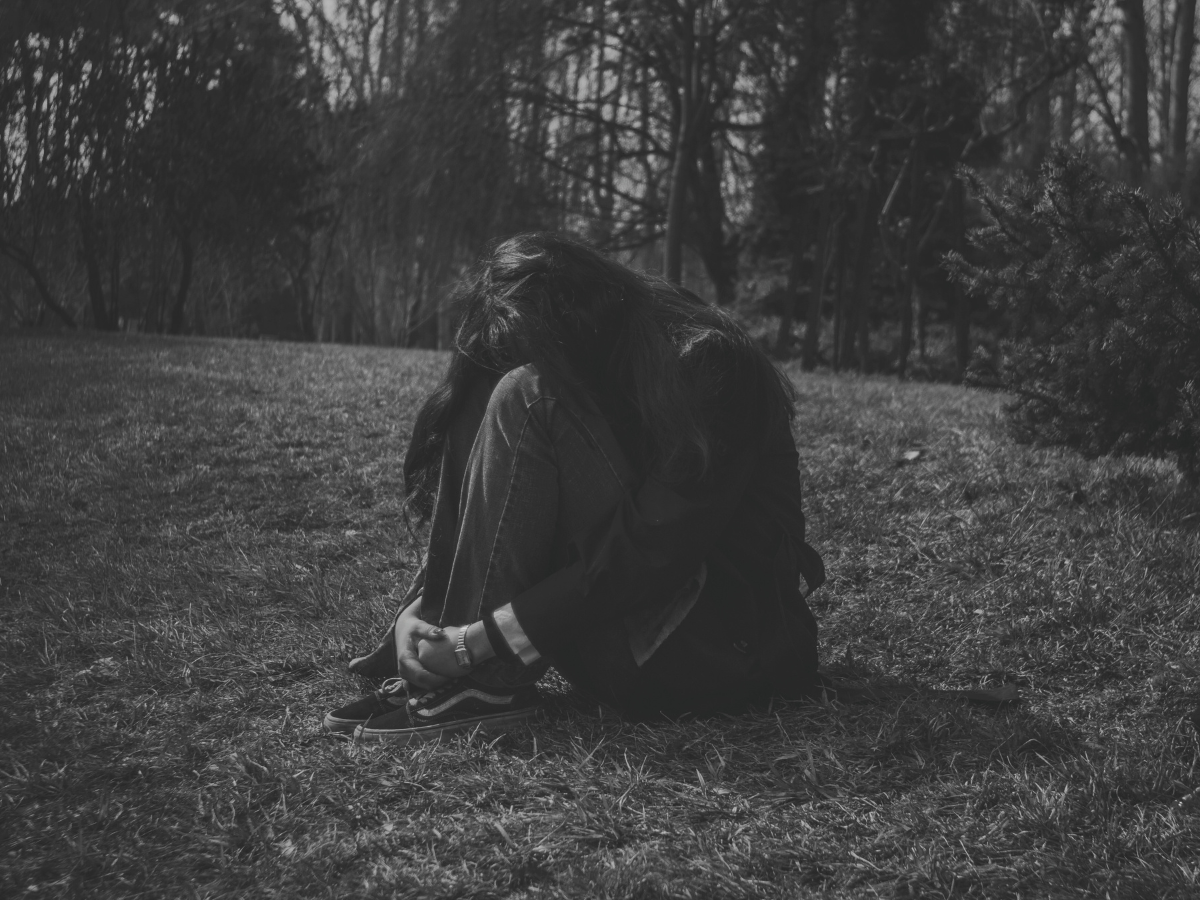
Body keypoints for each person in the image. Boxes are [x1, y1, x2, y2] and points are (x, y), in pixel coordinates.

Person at [322, 232, 825, 743]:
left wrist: (475, 644)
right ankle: (447, 665)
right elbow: (500, 510)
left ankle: (481, 682)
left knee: (528, 394)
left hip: (713, 654)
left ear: (584, 325)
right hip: (598, 638)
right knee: (485, 383)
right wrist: (420, 618)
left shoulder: (710, 362)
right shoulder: (605, 362)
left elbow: (650, 550)